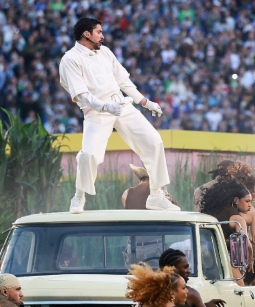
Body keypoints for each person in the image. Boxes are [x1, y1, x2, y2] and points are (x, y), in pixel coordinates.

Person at [59, 17, 178, 214]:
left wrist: (145, 102)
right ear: (86, 34)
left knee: (154, 141)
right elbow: (81, 94)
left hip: (122, 105)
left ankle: (156, 195)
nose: (102, 36)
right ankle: (79, 195)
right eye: (98, 32)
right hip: (96, 112)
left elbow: (124, 81)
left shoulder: (104, 52)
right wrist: (105, 107)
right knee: (88, 154)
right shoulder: (70, 59)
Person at [198, 180, 255, 285]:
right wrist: (251, 260)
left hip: (209, 260)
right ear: (236, 200)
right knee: (244, 295)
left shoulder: (212, 213)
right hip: (228, 260)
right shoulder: (237, 219)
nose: (250, 206)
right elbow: (247, 245)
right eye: (247, 201)